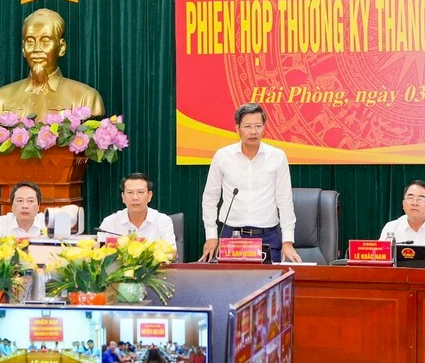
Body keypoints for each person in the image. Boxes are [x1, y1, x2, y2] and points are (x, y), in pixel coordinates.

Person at [199, 103, 301, 263]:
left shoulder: (277, 156)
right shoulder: (223, 156)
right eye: (247, 126)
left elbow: (285, 201)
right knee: (231, 286)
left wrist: (287, 241)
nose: (253, 132)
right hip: (232, 236)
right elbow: (210, 198)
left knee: (270, 285)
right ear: (237, 128)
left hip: (268, 236)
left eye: (258, 126)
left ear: (264, 128)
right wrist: (211, 235)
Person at [0, 8, 104, 119]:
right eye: (30, 41)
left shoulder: (86, 98)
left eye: (45, 41)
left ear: (61, 47)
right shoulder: (0, 99)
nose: (37, 49)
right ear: (23, 48)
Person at [379, 180, 425, 265]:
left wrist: (413, 259)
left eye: (421, 199)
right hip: (399, 276)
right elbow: (382, 256)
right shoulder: (391, 227)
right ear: (403, 204)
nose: (414, 203)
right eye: (410, 198)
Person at [99, 173, 177, 250]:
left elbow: (172, 253)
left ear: (149, 196)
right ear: (123, 197)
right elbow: (99, 251)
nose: (135, 197)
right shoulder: (109, 223)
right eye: (130, 192)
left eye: (140, 192)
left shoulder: (163, 221)